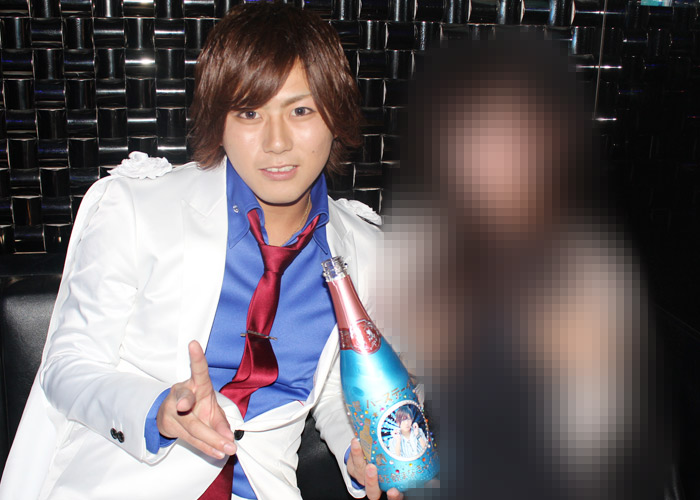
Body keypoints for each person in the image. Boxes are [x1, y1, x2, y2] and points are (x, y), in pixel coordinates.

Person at [0, 3, 403, 499]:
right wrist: (159, 409)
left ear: (334, 117)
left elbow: (336, 388)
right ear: (220, 121)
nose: (277, 142)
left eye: (300, 111)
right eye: (250, 113)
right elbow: (68, 364)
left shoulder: (368, 251)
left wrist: (358, 451)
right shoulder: (137, 208)